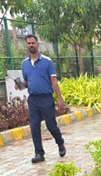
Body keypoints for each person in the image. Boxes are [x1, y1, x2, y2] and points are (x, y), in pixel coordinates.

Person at [21, 34, 66, 164]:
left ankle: (60, 142)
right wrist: (20, 85)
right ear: (26, 45)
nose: (31, 45)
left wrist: (60, 99)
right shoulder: (24, 64)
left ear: (37, 44)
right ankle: (39, 153)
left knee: (51, 125)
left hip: (46, 98)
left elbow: (54, 81)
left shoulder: (47, 61)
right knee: (34, 126)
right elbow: (26, 82)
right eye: (28, 43)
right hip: (33, 99)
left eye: (33, 43)